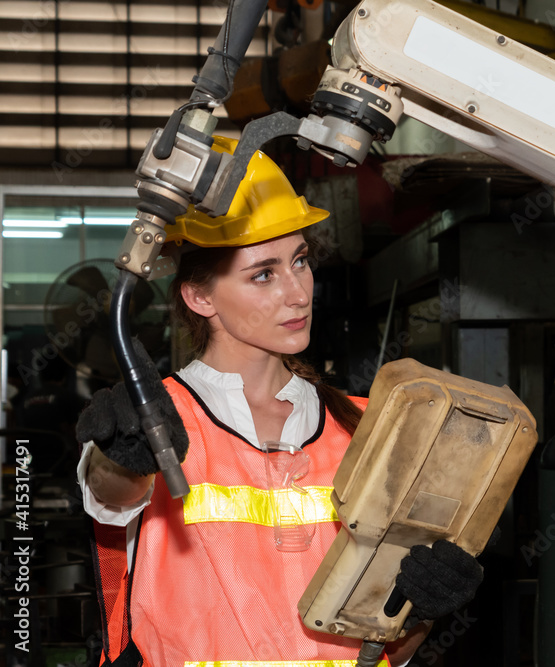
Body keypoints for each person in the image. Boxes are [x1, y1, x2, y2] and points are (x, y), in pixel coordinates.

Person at [76, 137, 483, 667]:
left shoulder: (367, 425)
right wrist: (121, 453)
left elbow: (389, 646)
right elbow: (110, 493)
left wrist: (422, 611)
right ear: (200, 297)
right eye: (263, 274)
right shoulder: (152, 423)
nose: (298, 292)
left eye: (300, 261)